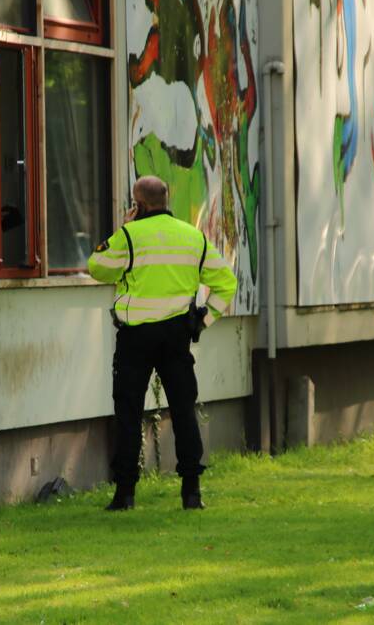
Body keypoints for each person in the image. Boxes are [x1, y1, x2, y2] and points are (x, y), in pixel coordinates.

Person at [88, 176, 237, 511]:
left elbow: (97, 267)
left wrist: (123, 229)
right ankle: (191, 492)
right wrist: (203, 320)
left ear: (137, 205)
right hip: (176, 336)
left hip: (135, 338)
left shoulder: (129, 236)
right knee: (184, 410)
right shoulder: (192, 237)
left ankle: (125, 494)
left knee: (128, 412)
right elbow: (226, 283)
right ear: (166, 200)